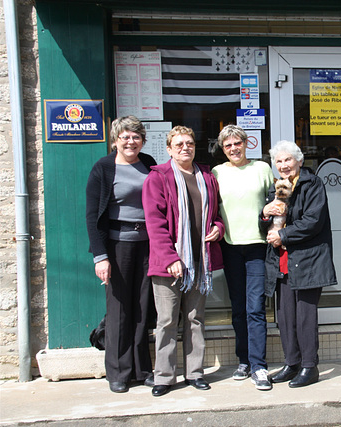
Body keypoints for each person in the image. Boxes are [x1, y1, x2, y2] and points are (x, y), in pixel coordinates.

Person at [142, 126, 225, 397]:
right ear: (168, 149)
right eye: (178, 144)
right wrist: (170, 258)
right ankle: (164, 377)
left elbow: (216, 212)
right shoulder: (158, 177)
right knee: (167, 321)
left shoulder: (207, 177)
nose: (185, 148)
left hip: (199, 262)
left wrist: (218, 227)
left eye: (189, 143)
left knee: (195, 318)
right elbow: (154, 223)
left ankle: (195, 373)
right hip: (169, 263)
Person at [85, 115, 156, 393]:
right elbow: (92, 216)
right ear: (115, 140)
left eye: (136, 136)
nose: (131, 141)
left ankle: (141, 369)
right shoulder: (103, 168)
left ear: (142, 140)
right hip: (116, 245)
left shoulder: (148, 163)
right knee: (118, 309)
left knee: (142, 306)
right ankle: (117, 372)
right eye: (125, 136)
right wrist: (100, 256)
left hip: (147, 242)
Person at [260, 140, 337, 388]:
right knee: (285, 316)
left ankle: (309, 366)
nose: (283, 165)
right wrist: (264, 213)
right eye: (279, 161)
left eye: (288, 160)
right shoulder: (277, 188)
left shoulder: (312, 184)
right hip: (282, 262)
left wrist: (282, 236)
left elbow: (313, 221)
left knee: (305, 317)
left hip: (308, 261)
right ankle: (291, 363)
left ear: (299, 162)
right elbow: (267, 225)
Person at [212, 124, 274, 391]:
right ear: (223, 149)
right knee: (238, 309)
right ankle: (244, 361)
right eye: (228, 145)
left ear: (247, 144)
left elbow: (276, 201)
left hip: (257, 246)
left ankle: (259, 365)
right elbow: (211, 208)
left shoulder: (262, 168)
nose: (233, 148)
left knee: (255, 308)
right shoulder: (216, 173)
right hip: (230, 246)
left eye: (237, 143)